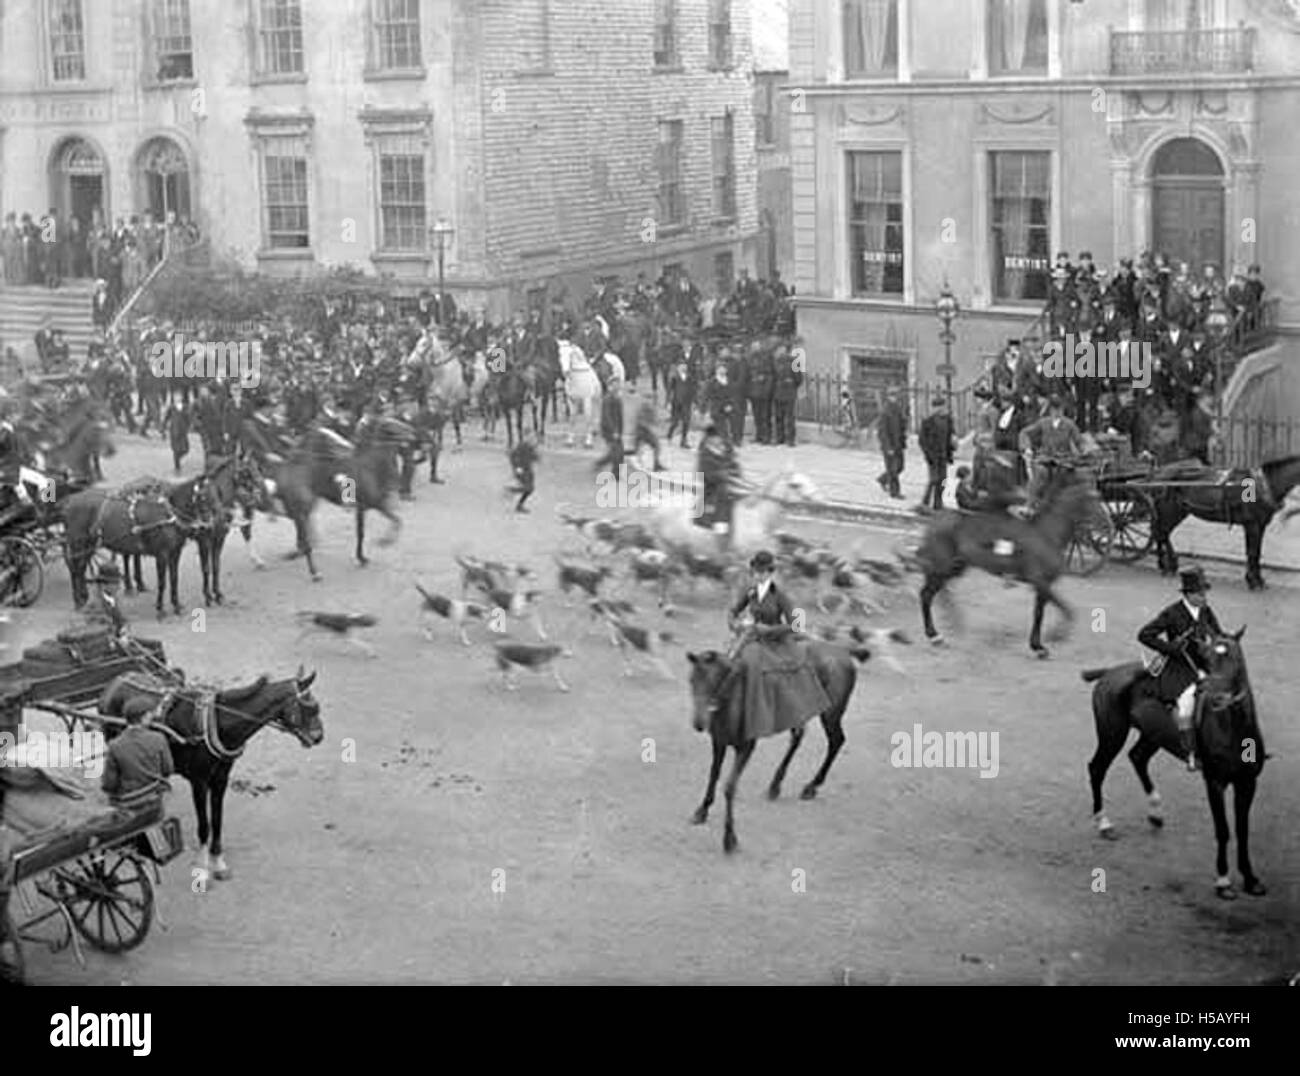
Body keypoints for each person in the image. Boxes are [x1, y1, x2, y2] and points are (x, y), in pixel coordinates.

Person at [716, 550, 832, 733]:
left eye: (763, 572)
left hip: (775, 639)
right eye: (756, 572)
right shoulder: (751, 591)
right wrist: (733, 622)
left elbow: (795, 625)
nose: (759, 576)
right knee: (729, 659)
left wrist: (770, 629)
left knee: (761, 668)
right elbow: (734, 610)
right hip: (751, 634)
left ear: (770, 572)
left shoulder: (781, 595)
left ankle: (767, 710)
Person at [1137, 566, 1224, 772]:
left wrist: (1223, 646)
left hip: (1203, 665)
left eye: (1205, 593)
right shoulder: (1171, 613)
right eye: (1200, 594)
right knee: (1187, 706)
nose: (1204, 597)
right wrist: (1170, 649)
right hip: (1179, 669)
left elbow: (1218, 633)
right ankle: (1191, 753)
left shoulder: (1206, 611)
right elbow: (1144, 635)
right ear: (1188, 594)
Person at [101, 696, 174, 810]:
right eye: (151, 714)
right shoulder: (159, 739)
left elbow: (108, 785)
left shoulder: (114, 745)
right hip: (154, 801)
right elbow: (168, 770)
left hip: (127, 804)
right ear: (144, 717)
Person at [1018, 395, 1084, 509]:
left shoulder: (1069, 424)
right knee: (1040, 472)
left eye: (1059, 409)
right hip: (1045, 457)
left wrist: (1083, 453)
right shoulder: (1043, 423)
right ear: (1050, 410)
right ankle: (1029, 504)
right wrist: (1027, 448)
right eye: (1054, 409)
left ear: (1063, 410)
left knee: (1063, 475)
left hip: (1064, 459)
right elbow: (1025, 433)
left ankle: (1054, 504)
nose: (1056, 412)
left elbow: (1079, 441)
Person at [918, 395, 956, 510]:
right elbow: (922, 440)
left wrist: (952, 447)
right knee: (933, 479)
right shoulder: (927, 421)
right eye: (936, 407)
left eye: (941, 406)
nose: (939, 409)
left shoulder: (948, 420)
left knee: (943, 480)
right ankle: (925, 502)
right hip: (932, 455)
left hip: (943, 454)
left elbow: (951, 435)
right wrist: (927, 453)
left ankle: (938, 502)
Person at [876, 386, 907, 499]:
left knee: (900, 467)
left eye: (896, 395)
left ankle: (883, 479)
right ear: (888, 397)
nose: (895, 398)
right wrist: (887, 447)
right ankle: (895, 492)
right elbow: (882, 432)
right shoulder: (885, 412)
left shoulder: (898, 409)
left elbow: (901, 425)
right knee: (893, 469)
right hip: (889, 445)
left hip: (898, 443)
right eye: (892, 395)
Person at [508, 432, 538, 513]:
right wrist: (517, 467)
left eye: (533, 438)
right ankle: (519, 504)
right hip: (523, 470)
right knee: (529, 488)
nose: (533, 440)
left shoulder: (530, 447)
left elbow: (535, 458)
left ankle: (517, 500)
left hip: (528, 470)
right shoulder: (522, 446)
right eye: (531, 438)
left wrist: (535, 454)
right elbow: (512, 455)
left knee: (530, 488)